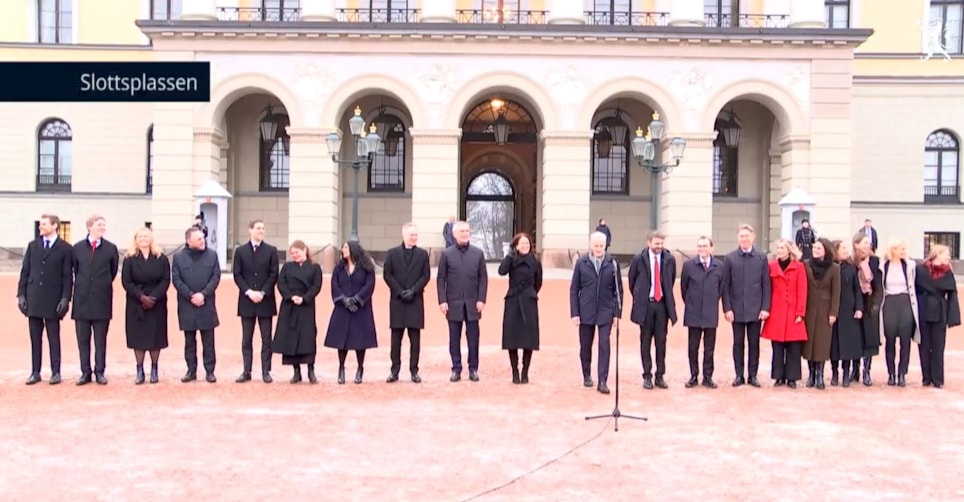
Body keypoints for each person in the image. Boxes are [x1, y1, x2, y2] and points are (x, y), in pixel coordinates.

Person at [17, 213, 73, 385]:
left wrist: (65, 298)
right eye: (40, 224)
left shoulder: (65, 248)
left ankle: (56, 372)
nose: (41, 227)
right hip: (34, 297)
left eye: (44, 224)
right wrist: (21, 295)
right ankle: (35, 372)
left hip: (53, 298)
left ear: (55, 226)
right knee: (35, 337)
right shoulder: (33, 246)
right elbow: (25, 271)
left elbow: (67, 276)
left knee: (53, 336)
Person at [569, 231, 623, 394]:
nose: (599, 248)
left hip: (606, 311)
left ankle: (603, 381)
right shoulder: (582, 262)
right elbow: (574, 289)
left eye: (601, 245)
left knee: (604, 345)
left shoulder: (612, 263)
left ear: (605, 245)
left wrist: (617, 314)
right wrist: (575, 313)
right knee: (585, 346)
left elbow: (618, 290)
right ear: (591, 245)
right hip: (586, 311)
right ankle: (587, 374)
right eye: (596, 245)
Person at [71, 215, 119, 386]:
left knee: (100, 340)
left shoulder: (111, 248)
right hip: (82, 301)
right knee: (82, 340)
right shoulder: (77, 248)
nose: (102, 227)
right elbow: (76, 270)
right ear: (89, 227)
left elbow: (112, 271)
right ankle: (85, 372)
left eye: (103, 225)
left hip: (102, 300)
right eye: (99, 225)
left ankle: (100, 371)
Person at [437, 221, 488, 382]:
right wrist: (442, 300)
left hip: (473, 304)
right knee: (454, 338)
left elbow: (483, 279)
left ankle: (473, 369)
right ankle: (456, 368)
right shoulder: (447, 254)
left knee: (473, 338)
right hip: (453, 303)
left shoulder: (478, 253)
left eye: (467, 231)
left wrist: (481, 299)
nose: (465, 233)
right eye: (462, 231)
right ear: (454, 234)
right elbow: (441, 279)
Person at [721, 224, 770, 387]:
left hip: (756, 310)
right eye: (741, 236)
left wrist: (765, 308)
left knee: (754, 344)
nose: (744, 239)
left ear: (752, 237)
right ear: (738, 238)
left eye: (746, 236)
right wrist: (727, 308)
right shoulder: (730, 258)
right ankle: (739, 375)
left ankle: (753, 375)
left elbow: (766, 285)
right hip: (736, 310)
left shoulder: (762, 258)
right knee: (738, 344)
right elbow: (725, 286)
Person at [171, 226, 221, 383]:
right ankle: (191, 370)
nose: (203, 241)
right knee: (189, 341)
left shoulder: (212, 255)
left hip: (206, 303)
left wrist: (203, 294)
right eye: (199, 239)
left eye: (203, 238)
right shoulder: (179, 257)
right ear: (189, 241)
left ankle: (210, 371)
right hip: (187, 304)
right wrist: (191, 295)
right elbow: (176, 279)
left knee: (209, 340)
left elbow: (215, 277)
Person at [121, 227, 170, 385]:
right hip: (136, 303)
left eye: (146, 236)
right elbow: (126, 282)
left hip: (157, 303)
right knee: (138, 337)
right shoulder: (129, 259)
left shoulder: (161, 258)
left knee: (156, 337)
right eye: (140, 237)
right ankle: (140, 370)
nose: (143, 239)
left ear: (151, 239)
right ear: (136, 239)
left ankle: (154, 368)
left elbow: (165, 280)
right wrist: (141, 297)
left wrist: (153, 297)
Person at [232, 219, 280, 384]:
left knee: (266, 339)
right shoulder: (240, 251)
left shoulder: (271, 251)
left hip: (265, 301)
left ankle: (266, 371)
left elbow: (274, 274)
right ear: (250, 230)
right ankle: (247, 370)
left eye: (263, 228)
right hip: (247, 301)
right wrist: (248, 292)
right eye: (258, 228)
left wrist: (262, 292)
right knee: (247, 338)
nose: (261, 231)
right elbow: (237, 274)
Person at [324, 240, 378, 384]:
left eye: (346, 247)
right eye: (343, 247)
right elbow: (334, 284)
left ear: (353, 249)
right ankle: (341, 368)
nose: (343, 249)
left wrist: (357, 299)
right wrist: (343, 300)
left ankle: (360, 368)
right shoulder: (339, 268)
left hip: (361, 309)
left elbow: (370, 285)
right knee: (342, 341)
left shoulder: (366, 267)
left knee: (360, 341)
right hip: (343, 309)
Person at [382, 223, 431, 383]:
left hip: (415, 301)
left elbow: (426, 276)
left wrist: (413, 291)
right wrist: (399, 291)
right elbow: (387, 274)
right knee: (396, 340)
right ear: (403, 235)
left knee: (415, 340)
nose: (414, 237)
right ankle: (394, 370)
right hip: (398, 301)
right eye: (411, 235)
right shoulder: (392, 253)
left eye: (416, 235)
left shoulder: (423, 254)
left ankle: (414, 370)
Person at [629, 230, 677, 390]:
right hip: (646, 305)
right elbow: (632, 281)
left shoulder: (669, 259)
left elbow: (671, 280)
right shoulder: (638, 259)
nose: (659, 246)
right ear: (649, 243)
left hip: (662, 306)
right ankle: (647, 375)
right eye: (657, 243)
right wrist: (640, 296)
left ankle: (660, 375)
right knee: (645, 341)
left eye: (662, 243)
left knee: (661, 341)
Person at [273, 241, 323, 384]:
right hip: (290, 306)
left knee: (307, 338)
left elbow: (316, 286)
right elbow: (280, 284)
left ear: (304, 250)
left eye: (297, 252)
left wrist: (305, 298)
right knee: (291, 338)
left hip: (306, 307)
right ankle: (296, 372)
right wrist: (290, 296)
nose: (295, 255)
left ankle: (311, 370)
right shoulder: (287, 267)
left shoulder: (314, 267)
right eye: (292, 253)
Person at [761, 239, 808, 388]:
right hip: (777, 311)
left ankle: (792, 377)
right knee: (777, 347)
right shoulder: (771, 266)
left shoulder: (799, 267)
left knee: (794, 347)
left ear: (789, 250)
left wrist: (800, 311)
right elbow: (767, 289)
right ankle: (778, 376)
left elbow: (802, 290)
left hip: (794, 310)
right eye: (778, 248)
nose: (779, 250)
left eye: (782, 248)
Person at [497, 232, 543, 384]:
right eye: (522, 243)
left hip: (529, 301)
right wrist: (509, 256)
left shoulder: (535, 261)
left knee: (528, 339)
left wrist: (530, 294)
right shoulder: (512, 260)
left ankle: (525, 371)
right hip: (513, 301)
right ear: (516, 246)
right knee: (513, 338)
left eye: (527, 244)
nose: (525, 246)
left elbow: (538, 282)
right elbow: (501, 271)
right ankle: (515, 371)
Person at [680, 236, 724, 389]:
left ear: (712, 248)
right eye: (700, 246)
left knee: (709, 348)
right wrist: (692, 302)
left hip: (711, 312)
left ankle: (707, 376)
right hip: (693, 312)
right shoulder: (688, 265)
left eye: (705, 246)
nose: (702, 249)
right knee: (693, 347)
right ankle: (693, 375)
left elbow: (721, 289)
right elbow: (684, 288)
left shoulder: (719, 266)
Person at [915, 244, 960, 389]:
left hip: (940, 311)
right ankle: (926, 377)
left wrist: (952, 317)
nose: (948, 257)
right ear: (936, 254)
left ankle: (938, 379)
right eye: (945, 254)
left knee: (938, 346)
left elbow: (953, 295)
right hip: (924, 310)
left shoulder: (948, 273)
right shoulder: (921, 270)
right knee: (924, 345)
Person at [879, 239, 922, 387]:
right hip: (889, 302)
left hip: (905, 302)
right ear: (893, 250)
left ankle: (902, 373)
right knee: (890, 340)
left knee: (905, 340)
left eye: (905, 249)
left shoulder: (910, 265)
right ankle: (891, 373)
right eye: (900, 249)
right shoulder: (883, 265)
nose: (903, 251)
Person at [802, 238, 840, 390]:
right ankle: (811, 373)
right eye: (814, 247)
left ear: (826, 250)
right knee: (809, 343)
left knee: (822, 343)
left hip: (825, 309)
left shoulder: (834, 268)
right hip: (809, 308)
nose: (815, 250)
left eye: (819, 248)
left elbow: (836, 292)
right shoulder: (805, 265)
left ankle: (820, 374)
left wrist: (833, 313)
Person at [830, 240, 865, 388]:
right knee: (834, 344)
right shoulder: (831, 268)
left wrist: (859, 308)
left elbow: (857, 290)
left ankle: (846, 372)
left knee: (847, 343)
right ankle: (834, 373)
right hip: (833, 309)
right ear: (835, 250)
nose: (846, 250)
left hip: (849, 310)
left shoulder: (851, 269)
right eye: (843, 248)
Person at [853, 232, 882, 385]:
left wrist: (876, 303)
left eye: (868, 243)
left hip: (869, 302)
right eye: (864, 242)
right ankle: (855, 369)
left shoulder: (875, 261)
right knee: (855, 338)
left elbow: (878, 285)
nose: (868, 245)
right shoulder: (851, 261)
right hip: (855, 304)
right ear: (856, 244)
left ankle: (867, 371)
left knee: (869, 338)